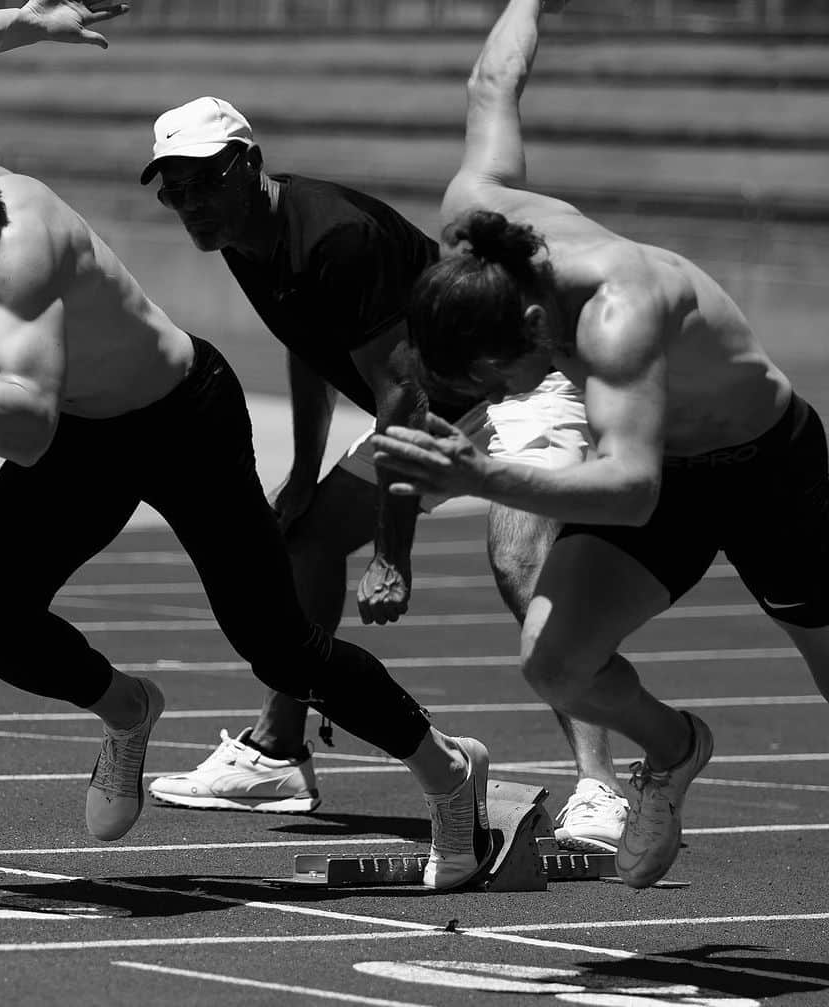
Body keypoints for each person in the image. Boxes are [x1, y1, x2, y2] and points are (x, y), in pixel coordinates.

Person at [0, 0, 496, 892]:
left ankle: (447, 771)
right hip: (82, 433)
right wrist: (32, 21)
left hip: (178, 420)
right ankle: (126, 708)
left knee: (276, 642)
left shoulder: (17, 253)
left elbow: (24, 429)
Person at [369, 0, 829, 889]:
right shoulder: (476, 215)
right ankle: (673, 750)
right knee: (554, 656)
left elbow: (629, 487)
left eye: (504, 379)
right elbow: (492, 82)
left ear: (535, 321)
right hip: (663, 468)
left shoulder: (623, 312)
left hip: (763, 464)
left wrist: (478, 473)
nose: (500, 399)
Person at [139, 95, 628, 852]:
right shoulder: (239, 233)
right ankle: (278, 750)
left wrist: (390, 554)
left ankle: (601, 785)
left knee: (520, 563)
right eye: (175, 189)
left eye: (204, 181)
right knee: (302, 539)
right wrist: (304, 471)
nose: (191, 204)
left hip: (514, 388)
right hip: (434, 404)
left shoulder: (335, 235)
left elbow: (401, 392)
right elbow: (309, 341)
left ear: (249, 165)